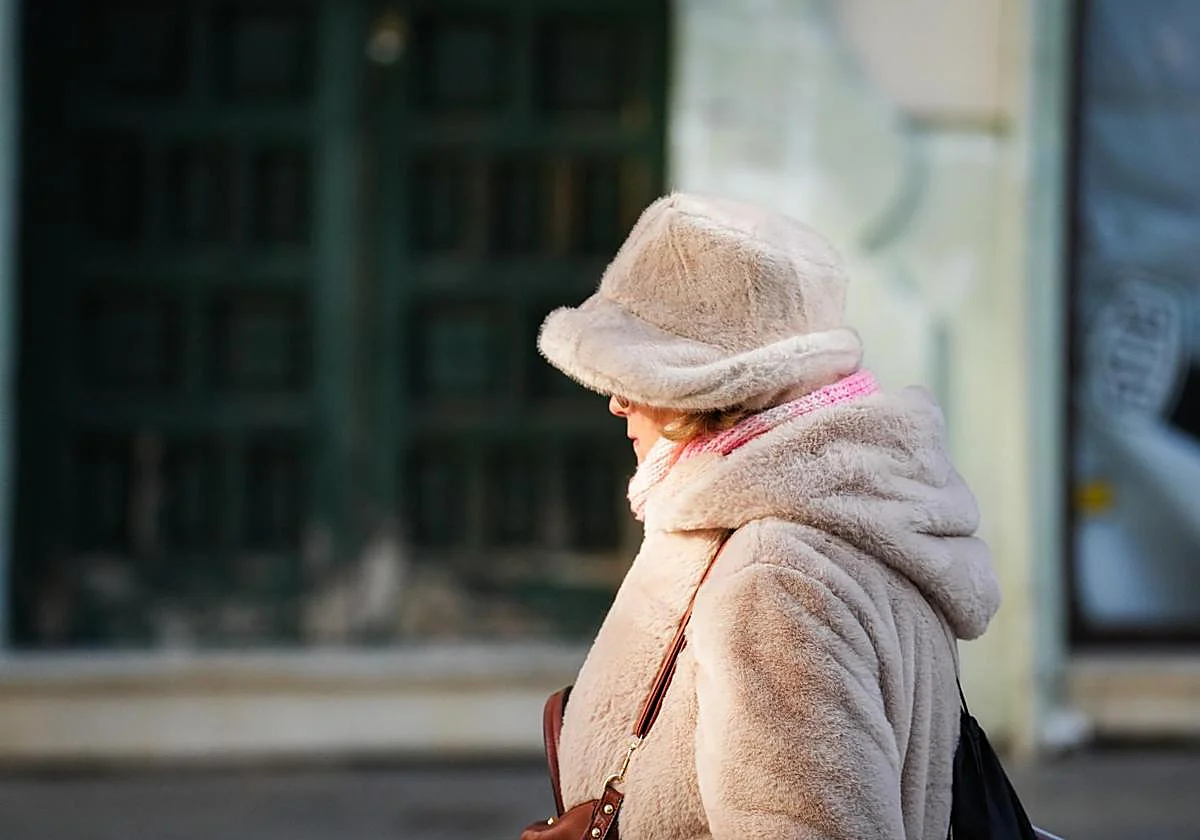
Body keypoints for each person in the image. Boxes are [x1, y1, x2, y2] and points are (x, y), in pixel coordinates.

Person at [535, 192, 1002, 839]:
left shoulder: (776, 583)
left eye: (636, 374)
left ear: (711, 387)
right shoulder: (843, 520)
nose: (617, 403)